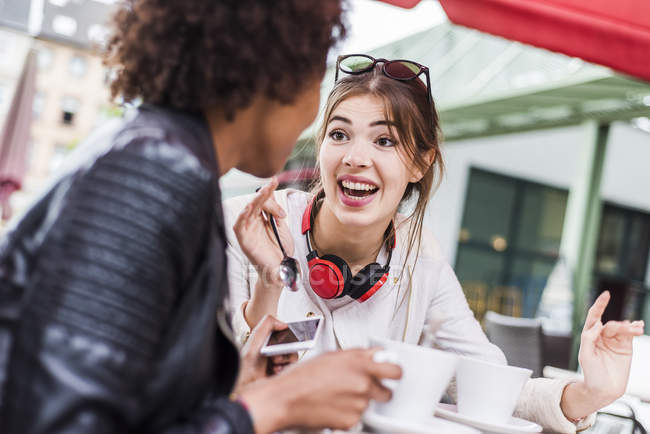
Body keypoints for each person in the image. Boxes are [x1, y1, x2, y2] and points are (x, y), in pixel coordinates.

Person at [0, 4, 403, 433]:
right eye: (314, 76)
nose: (312, 112)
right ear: (273, 69)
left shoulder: (163, 159)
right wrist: (269, 407)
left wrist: (229, 391)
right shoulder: (153, 174)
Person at [224, 54, 646, 433]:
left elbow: (489, 384)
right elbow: (216, 385)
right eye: (339, 134)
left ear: (420, 163)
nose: (355, 156)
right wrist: (271, 280)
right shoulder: (245, 224)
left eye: (384, 140)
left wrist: (591, 393)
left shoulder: (420, 256)